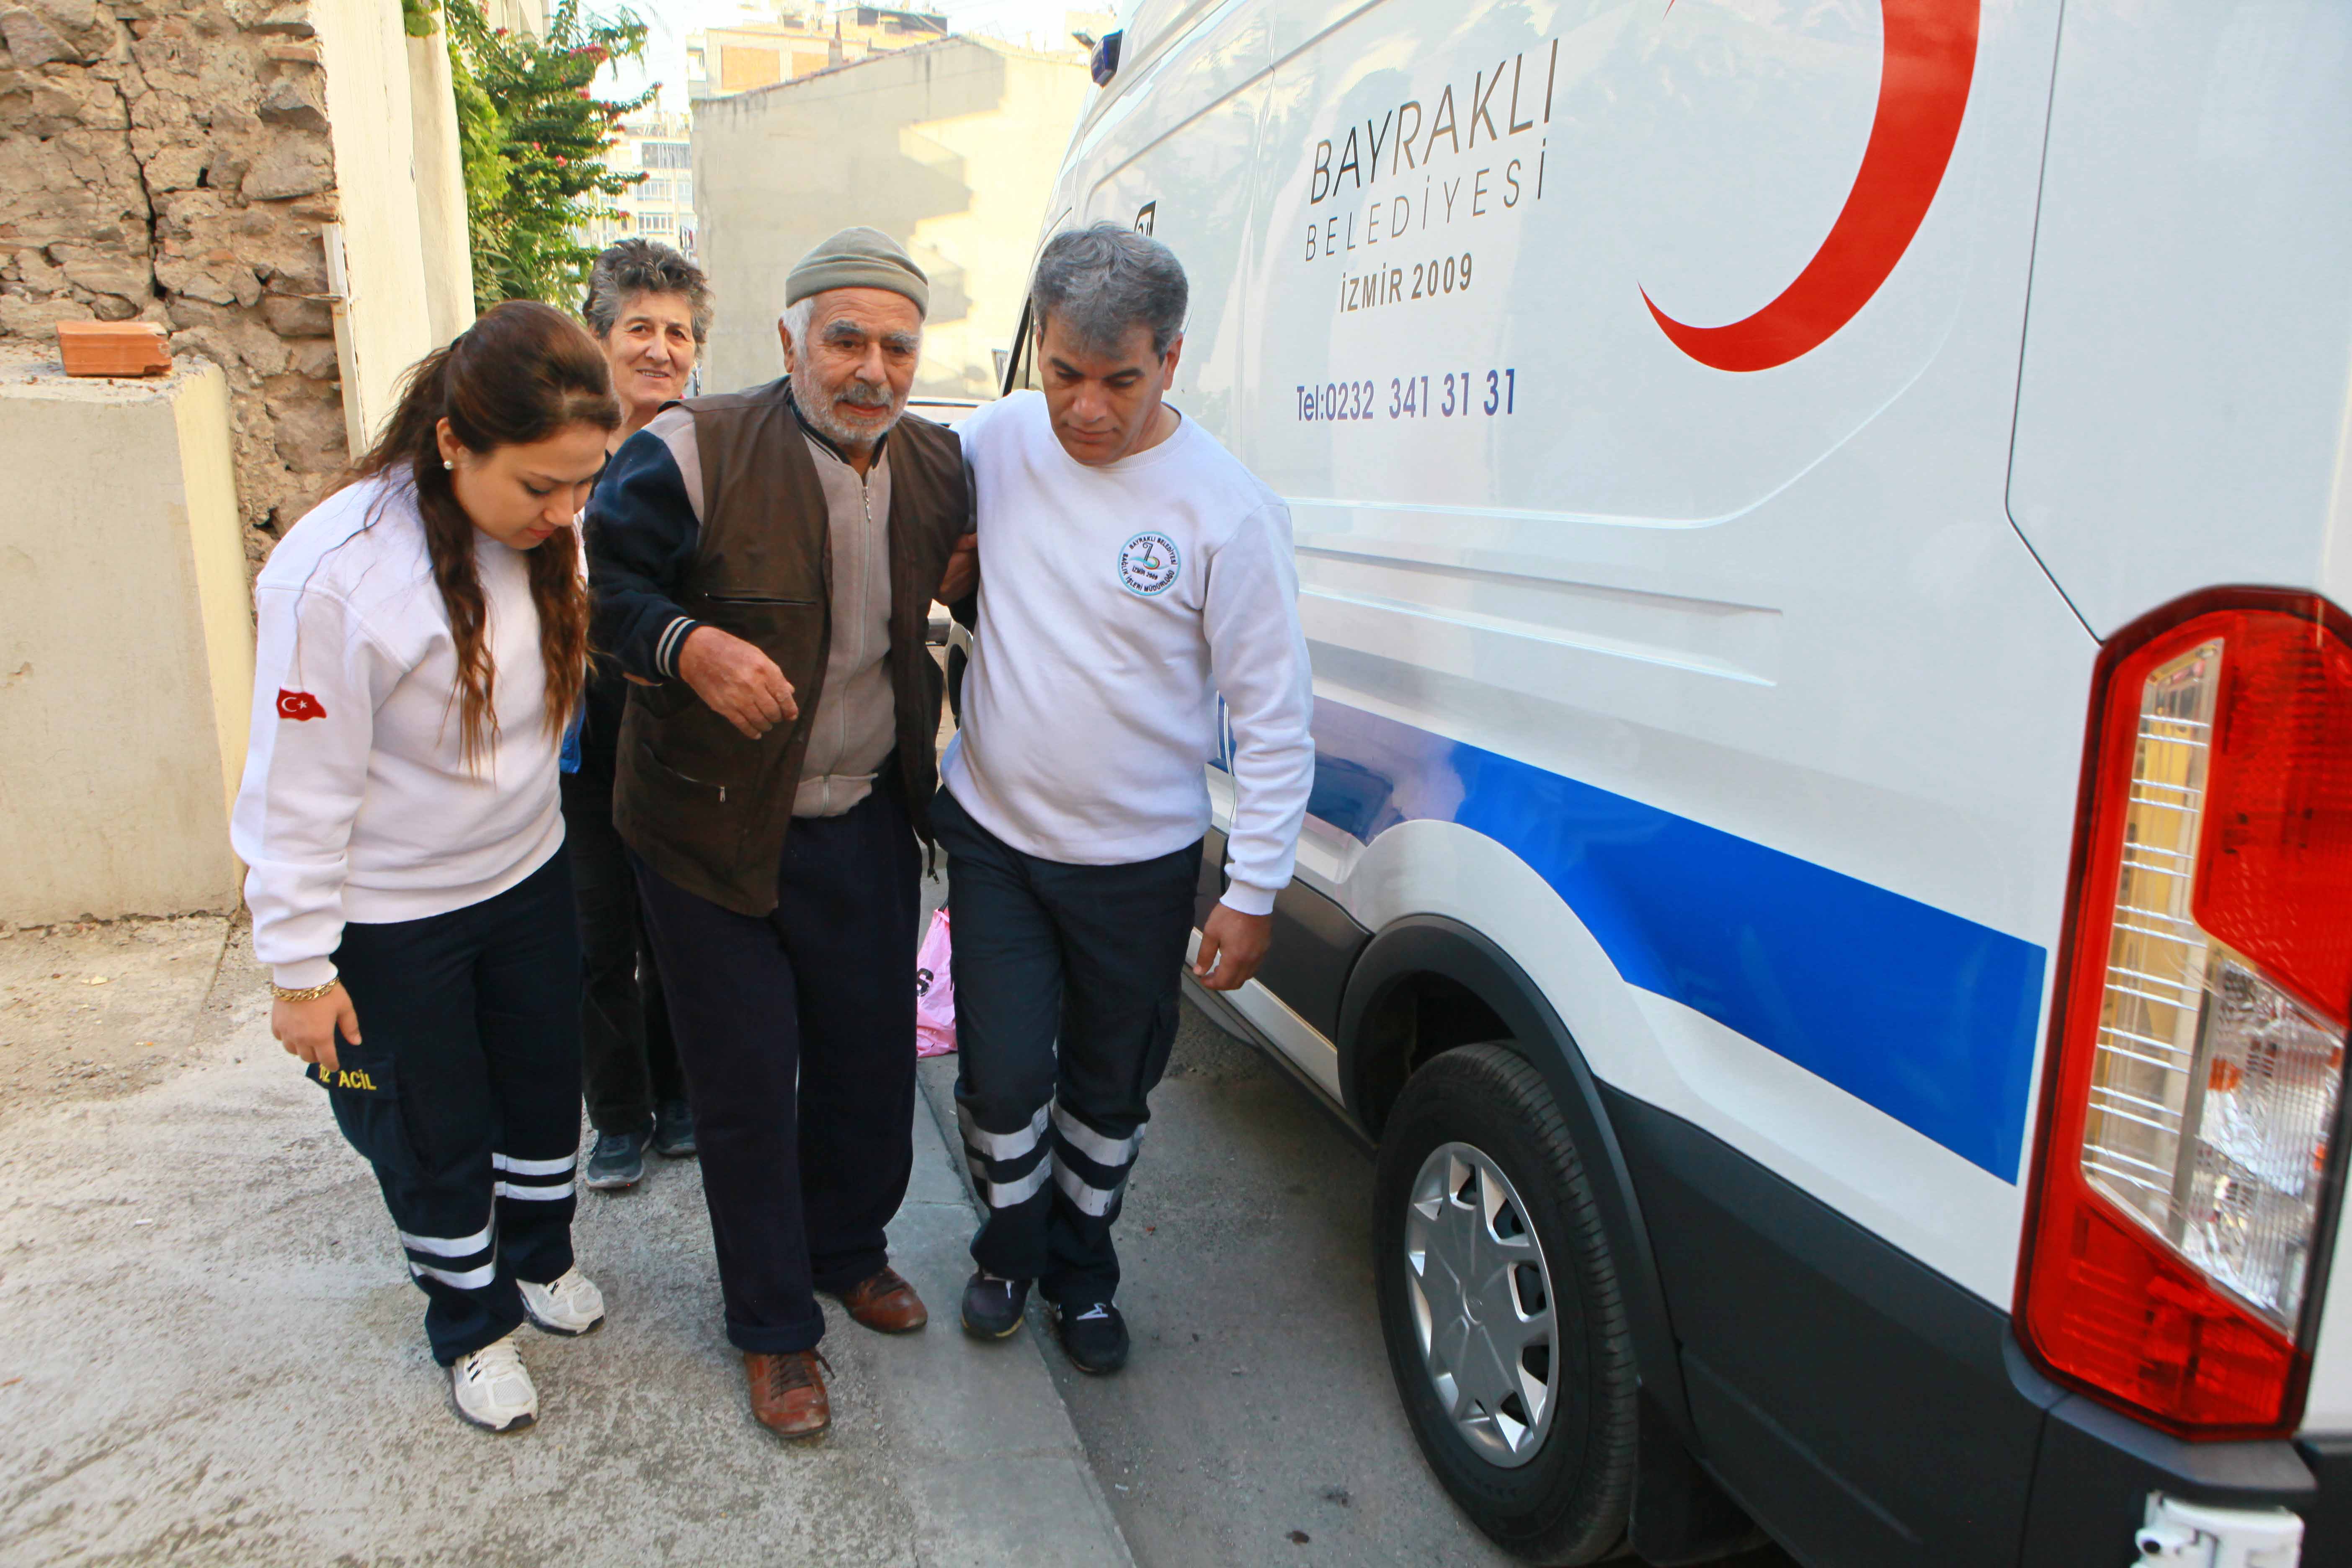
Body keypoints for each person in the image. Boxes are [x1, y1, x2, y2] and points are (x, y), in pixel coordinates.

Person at [586, 227, 976, 1441]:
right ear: (790, 339)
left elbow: (961, 584)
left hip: (860, 815)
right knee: (749, 1084)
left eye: (896, 345)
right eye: (846, 338)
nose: (872, 368)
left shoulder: (936, 465)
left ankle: (849, 1252)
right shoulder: (691, 449)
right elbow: (598, 589)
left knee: (867, 1065)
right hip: (706, 831)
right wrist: (687, 648)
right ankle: (772, 1330)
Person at [232, 300, 620, 1433]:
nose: (564, 512)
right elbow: (295, 790)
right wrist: (300, 971)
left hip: (525, 875)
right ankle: (470, 1322)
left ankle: (539, 1259)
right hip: (394, 918)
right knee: (432, 1124)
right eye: (539, 488)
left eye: (582, 483)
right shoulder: (338, 575)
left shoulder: (551, 529)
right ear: (453, 440)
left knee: (545, 1089)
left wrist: (557, 513)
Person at [940, 224, 1315, 1374]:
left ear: (1173, 360)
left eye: (1120, 380)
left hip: (1141, 867)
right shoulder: (992, 441)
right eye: (1063, 374)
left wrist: (1252, 893)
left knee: (1109, 1089)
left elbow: (1276, 718)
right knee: (1002, 1077)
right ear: (1037, 351)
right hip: (997, 841)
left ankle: (1082, 1273)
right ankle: (1006, 1249)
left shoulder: (1227, 511)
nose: (1086, 409)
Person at [569, 239, 712, 1191]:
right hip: (581, 724)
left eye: (679, 332)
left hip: (679, 723)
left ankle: (681, 1098)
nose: (661, 349)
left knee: (683, 926)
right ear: (599, 338)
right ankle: (615, 1115)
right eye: (640, 329)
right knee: (594, 931)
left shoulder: (715, 448)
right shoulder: (562, 447)